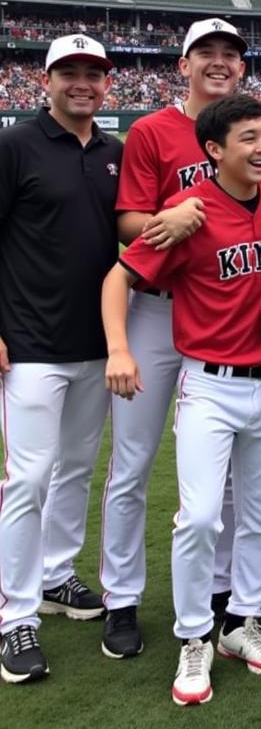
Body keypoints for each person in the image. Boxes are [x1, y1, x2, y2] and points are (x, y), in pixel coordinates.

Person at [101, 95, 261, 706]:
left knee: (259, 517)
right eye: (246, 138)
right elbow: (119, 276)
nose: (260, 147)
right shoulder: (187, 211)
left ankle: (241, 623)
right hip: (209, 384)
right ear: (213, 151)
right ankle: (194, 635)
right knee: (200, 516)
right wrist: (120, 349)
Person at [0, 35, 121, 685]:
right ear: (46, 80)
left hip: (95, 344)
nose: (82, 83)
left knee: (74, 469)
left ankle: (55, 576)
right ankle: (14, 614)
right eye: (69, 72)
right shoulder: (16, 145)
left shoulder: (113, 152)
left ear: (107, 83)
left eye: (92, 73)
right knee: (27, 479)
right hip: (29, 345)